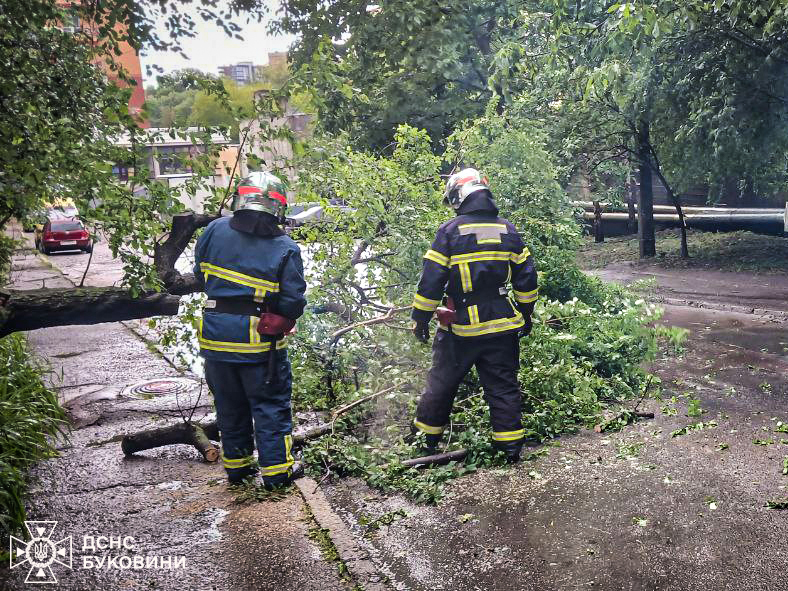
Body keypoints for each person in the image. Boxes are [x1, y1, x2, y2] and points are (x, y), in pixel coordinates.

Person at [410, 168, 538, 462]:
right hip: (503, 322)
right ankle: (510, 447)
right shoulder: (508, 230)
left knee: (441, 383)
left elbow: (431, 281)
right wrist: (527, 313)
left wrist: (420, 318)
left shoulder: (450, 232)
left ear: (458, 196)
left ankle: (425, 441)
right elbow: (527, 280)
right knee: (503, 386)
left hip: (462, 327)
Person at [194, 171, 307, 488]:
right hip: (258, 343)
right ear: (278, 207)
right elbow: (293, 301)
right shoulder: (285, 247)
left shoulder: (214, 230)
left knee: (229, 407)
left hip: (215, 338)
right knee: (270, 407)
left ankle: (238, 471)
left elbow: (200, 274)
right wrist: (284, 317)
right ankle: (276, 474)